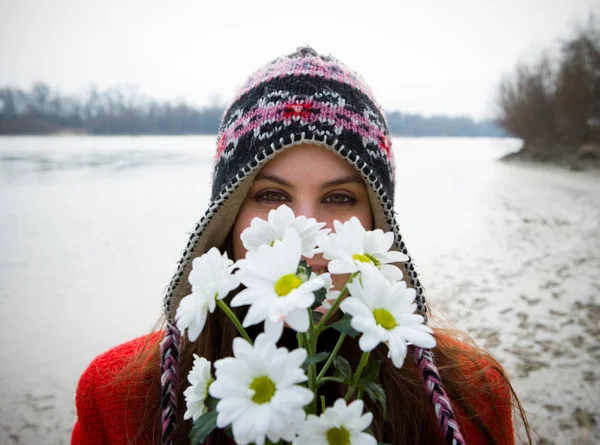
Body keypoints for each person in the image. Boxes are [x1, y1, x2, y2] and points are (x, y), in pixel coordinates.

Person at [71, 47, 532, 445]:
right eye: (270, 195)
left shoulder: (469, 393)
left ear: (377, 223)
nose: (300, 233)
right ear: (227, 220)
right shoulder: (116, 395)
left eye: (339, 198)